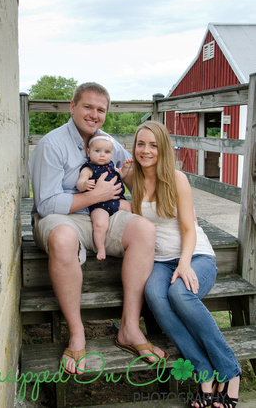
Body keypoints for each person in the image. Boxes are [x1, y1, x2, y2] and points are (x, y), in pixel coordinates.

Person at [28, 82, 167, 375]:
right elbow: (46, 204)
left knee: (144, 230)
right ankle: (77, 332)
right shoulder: (51, 145)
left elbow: (128, 181)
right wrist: (94, 196)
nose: (94, 114)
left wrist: (129, 178)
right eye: (88, 107)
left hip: (104, 213)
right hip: (61, 217)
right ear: (73, 106)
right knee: (64, 238)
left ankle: (129, 328)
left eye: (100, 110)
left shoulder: (109, 143)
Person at [127, 120, 241, 408]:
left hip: (196, 255)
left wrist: (186, 264)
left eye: (153, 145)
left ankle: (229, 371)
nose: (146, 150)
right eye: (141, 144)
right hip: (161, 261)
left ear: (163, 148)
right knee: (154, 294)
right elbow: (100, 155)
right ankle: (204, 371)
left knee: (179, 292)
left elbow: (189, 229)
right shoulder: (133, 178)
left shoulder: (177, 179)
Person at [76, 132, 132, 260]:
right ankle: (101, 248)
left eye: (107, 152)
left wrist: (125, 168)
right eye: (98, 151)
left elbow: (121, 175)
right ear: (88, 152)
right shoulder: (89, 168)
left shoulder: (111, 166)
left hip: (116, 200)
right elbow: (80, 182)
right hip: (99, 205)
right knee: (100, 224)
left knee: (130, 207)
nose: (102, 155)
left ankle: (130, 233)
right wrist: (84, 184)